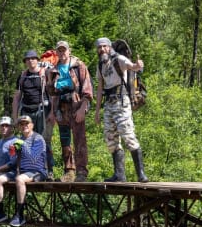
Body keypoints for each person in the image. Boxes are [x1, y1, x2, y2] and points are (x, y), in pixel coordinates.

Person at [94, 37, 148, 183]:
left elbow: (132, 66)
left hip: (121, 101)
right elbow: (100, 89)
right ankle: (119, 174)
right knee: (110, 139)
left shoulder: (119, 59)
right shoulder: (100, 65)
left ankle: (141, 174)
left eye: (104, 46)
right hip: (108, 103)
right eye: (99, 47)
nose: (102, 49)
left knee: (128, 135)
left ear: (109, 47)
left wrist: (138, 65)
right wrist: (97, 111)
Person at [0, 115, 47, 227]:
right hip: (22, 171)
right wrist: (13, 152)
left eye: (27, 123)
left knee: (19, 179)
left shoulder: (38, 138)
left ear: (32, 125)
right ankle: (0, 212)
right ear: (19, 127)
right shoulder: (20, 140)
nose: (24, 126)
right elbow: (14, 161)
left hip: (37, 171)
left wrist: (22, 146)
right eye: (22, 124)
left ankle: (20, 214)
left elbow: (33, 159)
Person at [47, 41, 93, 182]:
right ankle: (69, 171)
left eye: (64, 50)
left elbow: (87, 89)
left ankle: (81, 172)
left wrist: (83, 108)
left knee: (79, 138)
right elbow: (52, 92)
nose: (62, 53)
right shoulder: (54, 69)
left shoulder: (79, 66)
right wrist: (52, 112)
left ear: (69, 50)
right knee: (65, 139)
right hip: (61, 106)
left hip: (76, 103)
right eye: (59, 51)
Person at [11, 50, 54, 180]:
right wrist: (15, 117)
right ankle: (23, 169)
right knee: (23, 141)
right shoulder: (22, 76)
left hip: (42, 110)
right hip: (26, 111)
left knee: (44, 140)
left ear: (37, 60)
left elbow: (52, 94)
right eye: (28, 59)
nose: (30, 61)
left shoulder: (45, 74)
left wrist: (52, 113)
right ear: (25, 62)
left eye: (33, 58)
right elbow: (17, 97)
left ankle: (48, 170)